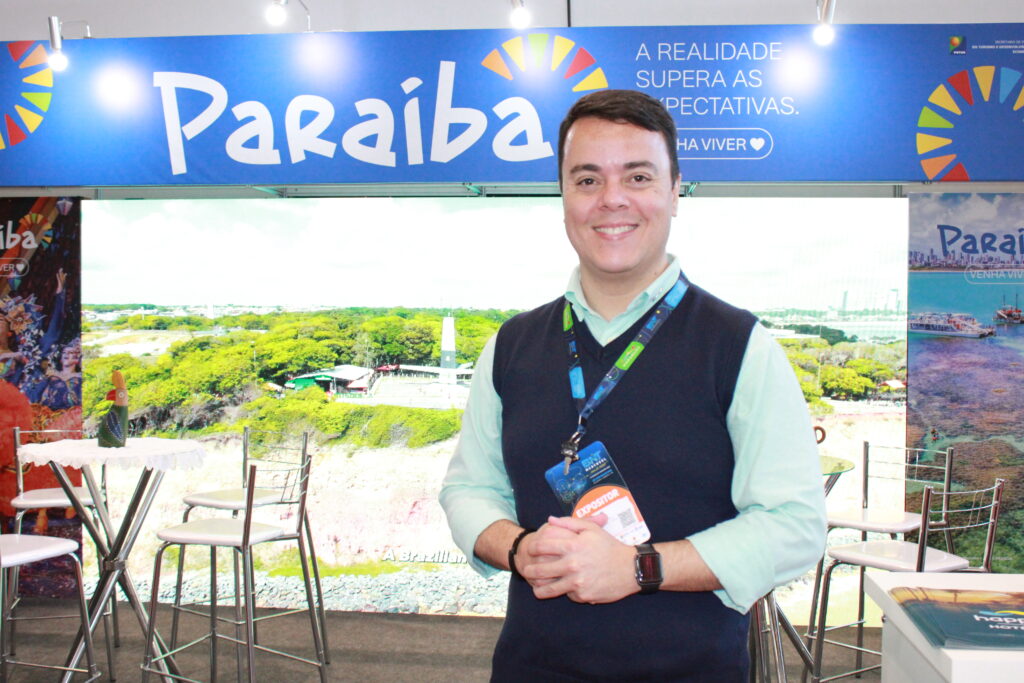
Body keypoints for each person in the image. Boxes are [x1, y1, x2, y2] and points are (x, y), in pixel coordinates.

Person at [440, 89, 827, 681]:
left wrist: (640, 568)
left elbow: (794, 525)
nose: (612, 199)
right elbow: (469, 488)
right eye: (587, 179)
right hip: (530, 666)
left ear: (675, 191)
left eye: (638, 177)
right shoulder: (510, 345)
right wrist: (518, 548)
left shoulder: (741, 346)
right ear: (564, 196)